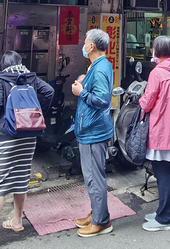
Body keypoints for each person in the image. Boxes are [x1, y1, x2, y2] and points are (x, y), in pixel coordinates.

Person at [0, 52, 53, 249]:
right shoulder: (30, 77)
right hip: (29, 134)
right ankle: (17, 221)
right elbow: (50, 92)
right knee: (21, 177)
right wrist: (37, 114)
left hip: (7, 134)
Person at [140, 36, 170, 231]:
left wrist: (139, 106)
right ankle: (162, 212)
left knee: (162, 173)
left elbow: (148, 100)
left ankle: (165, 218)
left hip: (160, 128)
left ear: (157, 50)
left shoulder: (158, 72)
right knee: (167, 171)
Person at [72, 29, 114, 238]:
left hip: (93, 131)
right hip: (93, 129)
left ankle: (101, 221)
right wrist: (84, 82)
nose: (84, 44)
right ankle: (97, 212)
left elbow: (102, 100)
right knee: (94, 176)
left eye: (86, 41)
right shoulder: (98, 66)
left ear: (93, 46)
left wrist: (82, 92)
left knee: (93, 177)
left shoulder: (98, 69)